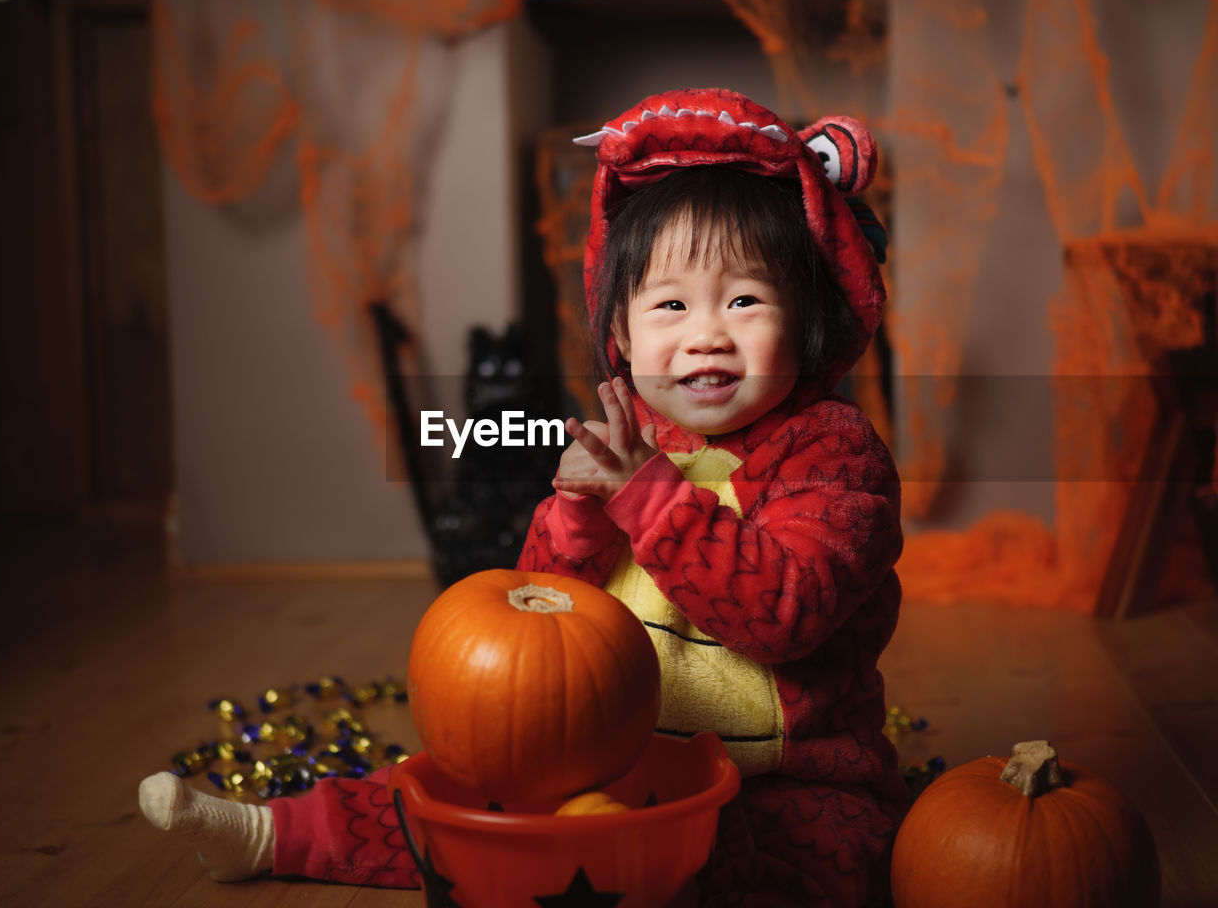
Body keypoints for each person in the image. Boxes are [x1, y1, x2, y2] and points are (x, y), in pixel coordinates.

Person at [139, 87, 906, 907]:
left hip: (778, 782)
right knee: (457, 810)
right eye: (671, 304)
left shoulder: (832, 453)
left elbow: (785, 612)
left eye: (745, 300)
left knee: (775, 863)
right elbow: (546, 618)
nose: (705, 333)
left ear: (811, 321)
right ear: (619, 333)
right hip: (613, 763)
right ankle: (271, 834)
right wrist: (577, 515)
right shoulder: (625, 439)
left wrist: (644, 498)